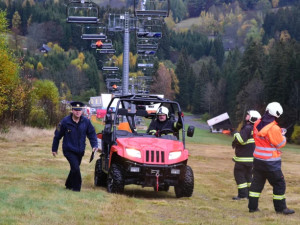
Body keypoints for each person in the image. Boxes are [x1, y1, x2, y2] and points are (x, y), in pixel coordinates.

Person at [248, 102, 295, 214]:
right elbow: (280, 144)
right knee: (279, 184)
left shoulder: (257, 123)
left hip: (258, 160)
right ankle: (281, 209)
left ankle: (252, 207)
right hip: (271, 163)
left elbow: (261, 137)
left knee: (256, 183)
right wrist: (282, 135)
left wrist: (278, 131)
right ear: (277, 114)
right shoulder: (274, 128)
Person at [52, 101, 98, 192]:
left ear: (82, 111)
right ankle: (76, 188)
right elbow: (57, 135)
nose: (78, 112)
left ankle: (68, 184)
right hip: (68, 149)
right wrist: (54, 148)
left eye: (79, 110)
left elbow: (92, 134)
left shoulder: (86, 122)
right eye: (76, 110)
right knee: (76, 168)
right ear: (72, 111)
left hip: (80, 150)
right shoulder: (65, 121)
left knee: (74, 168)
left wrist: (94, 145)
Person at [232, 110, 261, 200]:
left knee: (239, 175)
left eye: (248, 115)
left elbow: (241, 140)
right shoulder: (256, 130)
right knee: (248, 177)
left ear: (252, 118)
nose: (247, 115)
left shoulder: (247, 128)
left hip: (242, 159)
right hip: (252, 159)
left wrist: (236, 134)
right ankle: (249, 194)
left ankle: (242, 195)